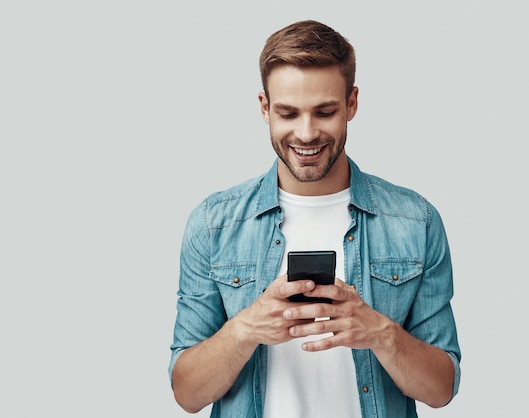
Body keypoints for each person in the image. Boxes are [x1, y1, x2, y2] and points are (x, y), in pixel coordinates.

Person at [169, 19, 461, 418]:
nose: (306, 133)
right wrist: (247, 327)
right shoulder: (213, 225)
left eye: (324, 112)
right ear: (264, 108)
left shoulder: (415, 221)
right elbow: (187, 394)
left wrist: (379, 332)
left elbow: (441, 388)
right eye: (288, 113)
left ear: (352, 104)